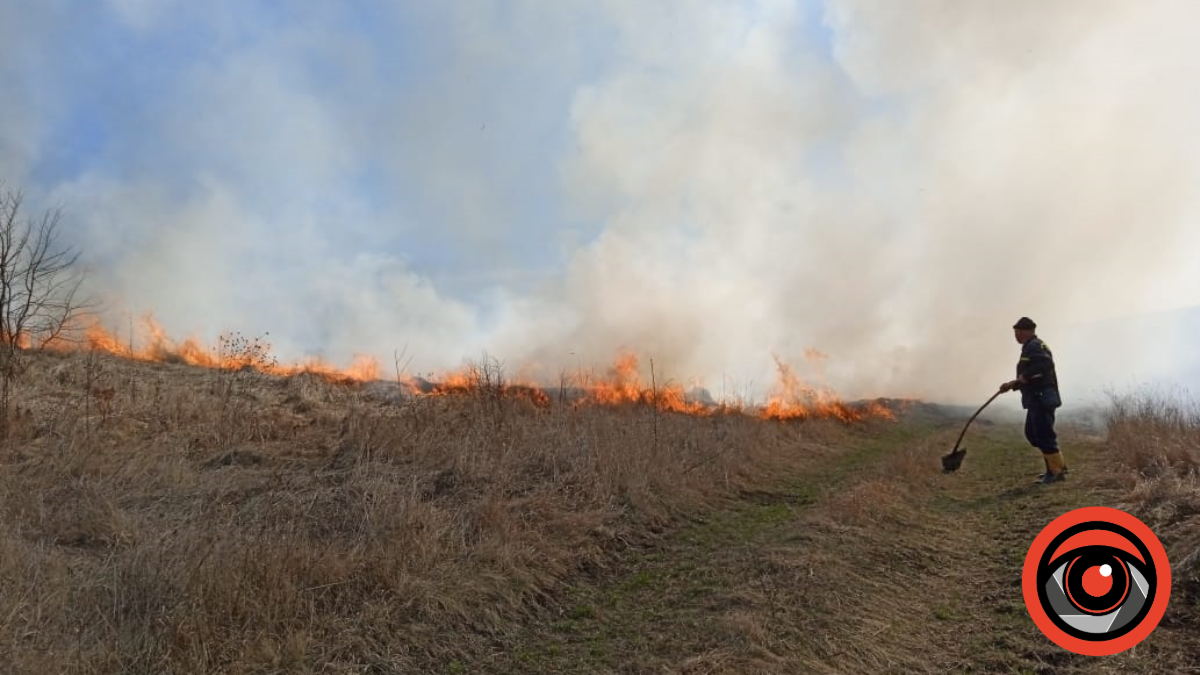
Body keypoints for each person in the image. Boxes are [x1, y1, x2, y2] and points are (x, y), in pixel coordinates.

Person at [999, 317, 1068, 484]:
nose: (1016, 335)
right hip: (1036, 398)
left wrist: (1023, 377)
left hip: (1042, 397)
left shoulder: (1034, 346)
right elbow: (1032, 374)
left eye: (1018, 331)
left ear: (1027, 331)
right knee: (1033, 434)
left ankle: (1056, 471)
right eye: (1015, 332)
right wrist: (1012, 384)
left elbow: (1044, 364)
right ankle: (1055, 468)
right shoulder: (1030, 347)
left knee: (1043, 435)